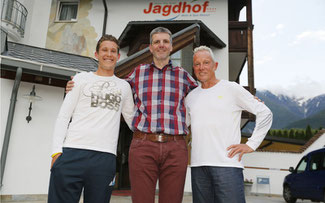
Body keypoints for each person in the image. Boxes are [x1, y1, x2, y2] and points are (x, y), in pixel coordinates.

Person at [66, 27, 197, 203]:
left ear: (171, 46)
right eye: (157, 42)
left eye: (165, 41)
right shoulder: (137, 73)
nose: (161, 45)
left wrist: (187, 124)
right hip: (143, 146)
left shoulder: (184, 76)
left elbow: (203, 98)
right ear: (150, 47)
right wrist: (75, 86)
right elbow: (111, 87)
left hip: (175, 147)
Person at [48, 35, 135, 203]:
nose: (108, 54)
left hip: (105, 158)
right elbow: (64, 116)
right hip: (72, 152)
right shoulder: (80, 79)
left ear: (118, 56)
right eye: (104, 50)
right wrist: (56, 152)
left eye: (113, 51)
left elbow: (133, 122)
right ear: (96, 54)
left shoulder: (124, 87)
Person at [185, 46, 273, 203]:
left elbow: (265, 113)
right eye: (197, 64)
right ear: (193, 68)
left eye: (206, 62)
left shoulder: (231, 88)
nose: (201, 67)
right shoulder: (191, 97)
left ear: (215, 66)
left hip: (227, 166)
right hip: (198, 167)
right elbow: (182, 127)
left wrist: (251, 144)